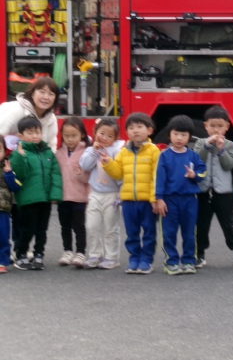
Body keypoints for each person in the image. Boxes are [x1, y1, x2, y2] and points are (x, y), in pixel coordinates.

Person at [0, 77, 60, 261]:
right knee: (5, 210)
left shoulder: (51, 119)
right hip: (6, 165)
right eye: (41, 91)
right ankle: (8, 250)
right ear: (32, 93)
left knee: (22, 211)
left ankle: (19, 249)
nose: (46, 97)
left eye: (51, 94)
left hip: (31, 172)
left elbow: (51, 147)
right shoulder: (16, 110)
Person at [101, 113, 161, 275]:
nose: (135, 131)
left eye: (139, 127)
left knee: (149, 232)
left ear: (149, 130)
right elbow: (118, 173)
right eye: (131, 128)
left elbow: (157, 176)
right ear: (126, 132)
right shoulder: (124, 152)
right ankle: (134, 258)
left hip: (147, 201)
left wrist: (154, 199)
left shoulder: (154, 151)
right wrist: (108, 163)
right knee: (131, 233)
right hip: (128, 200)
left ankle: (146, 260)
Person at [193, 105, 233, 269]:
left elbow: (229, 165)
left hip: (223, 192)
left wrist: (221, 149)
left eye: (220, 126)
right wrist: (207, 145)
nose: (216, 129)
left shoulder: (229, 145)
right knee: (201, 224)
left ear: (227, 127)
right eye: (212, 126)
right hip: (203, 192)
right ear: (205, 126)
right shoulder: (200, 143)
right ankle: (199, 254)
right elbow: (197, 160)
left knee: (230, 223)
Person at [156, 115, 207, 275]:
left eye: (183, 135)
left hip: (190, 200)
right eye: (176, 134)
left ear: (189, 136)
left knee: (189, 233)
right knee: (169, 233)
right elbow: (159, 178)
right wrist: (159, 198)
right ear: (169, 135)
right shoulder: (164, 155)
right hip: (169, 200)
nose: (179, 138)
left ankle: (189, 261)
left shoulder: (193, 155)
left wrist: (194, 175)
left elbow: (203, 171)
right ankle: (171, 262)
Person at [10, 116, 63, 270]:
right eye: (30, 133)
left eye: (37, 132)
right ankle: (21, 254)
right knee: (27, 229)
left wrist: (55, 195)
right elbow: (20, 174)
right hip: (28, 199)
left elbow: (55, 174)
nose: (35, 136)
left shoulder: (47, 152)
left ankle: (39, 254)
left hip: (44, 199)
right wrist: (20, 156)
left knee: (42, 230)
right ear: (21, 136)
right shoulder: (18, 153)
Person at [79, 118, 123, 270]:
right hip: (95, 194)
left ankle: (112, 257)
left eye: (110, 136)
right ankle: (95, 254)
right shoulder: (90, 150)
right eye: (102, 133)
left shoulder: (117, 151)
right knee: (91, 226)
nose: (104, 138)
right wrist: (93, 150)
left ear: (115, 138)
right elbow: (85, 165)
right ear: (95, 132)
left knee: (111, 228)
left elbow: (121, 173)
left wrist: (121, 194)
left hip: (112, 195)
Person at [55, 117, 90, 268]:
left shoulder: (86, 153)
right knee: (65, 226)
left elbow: (89, 178)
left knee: (79, 227)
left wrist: (80, 175)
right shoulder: (58, 153)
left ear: (82, 134)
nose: (70, 139)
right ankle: (67, 251)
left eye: (74, 135)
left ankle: (80, 253)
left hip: (79, 198)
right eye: (66, 135)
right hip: (63, 197)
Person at [0, 136, 20, 274]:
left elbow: (15, 187)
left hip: (3, 209)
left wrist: (9, 174)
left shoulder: (7, 167)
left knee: (2, 236)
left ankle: (2, 261)